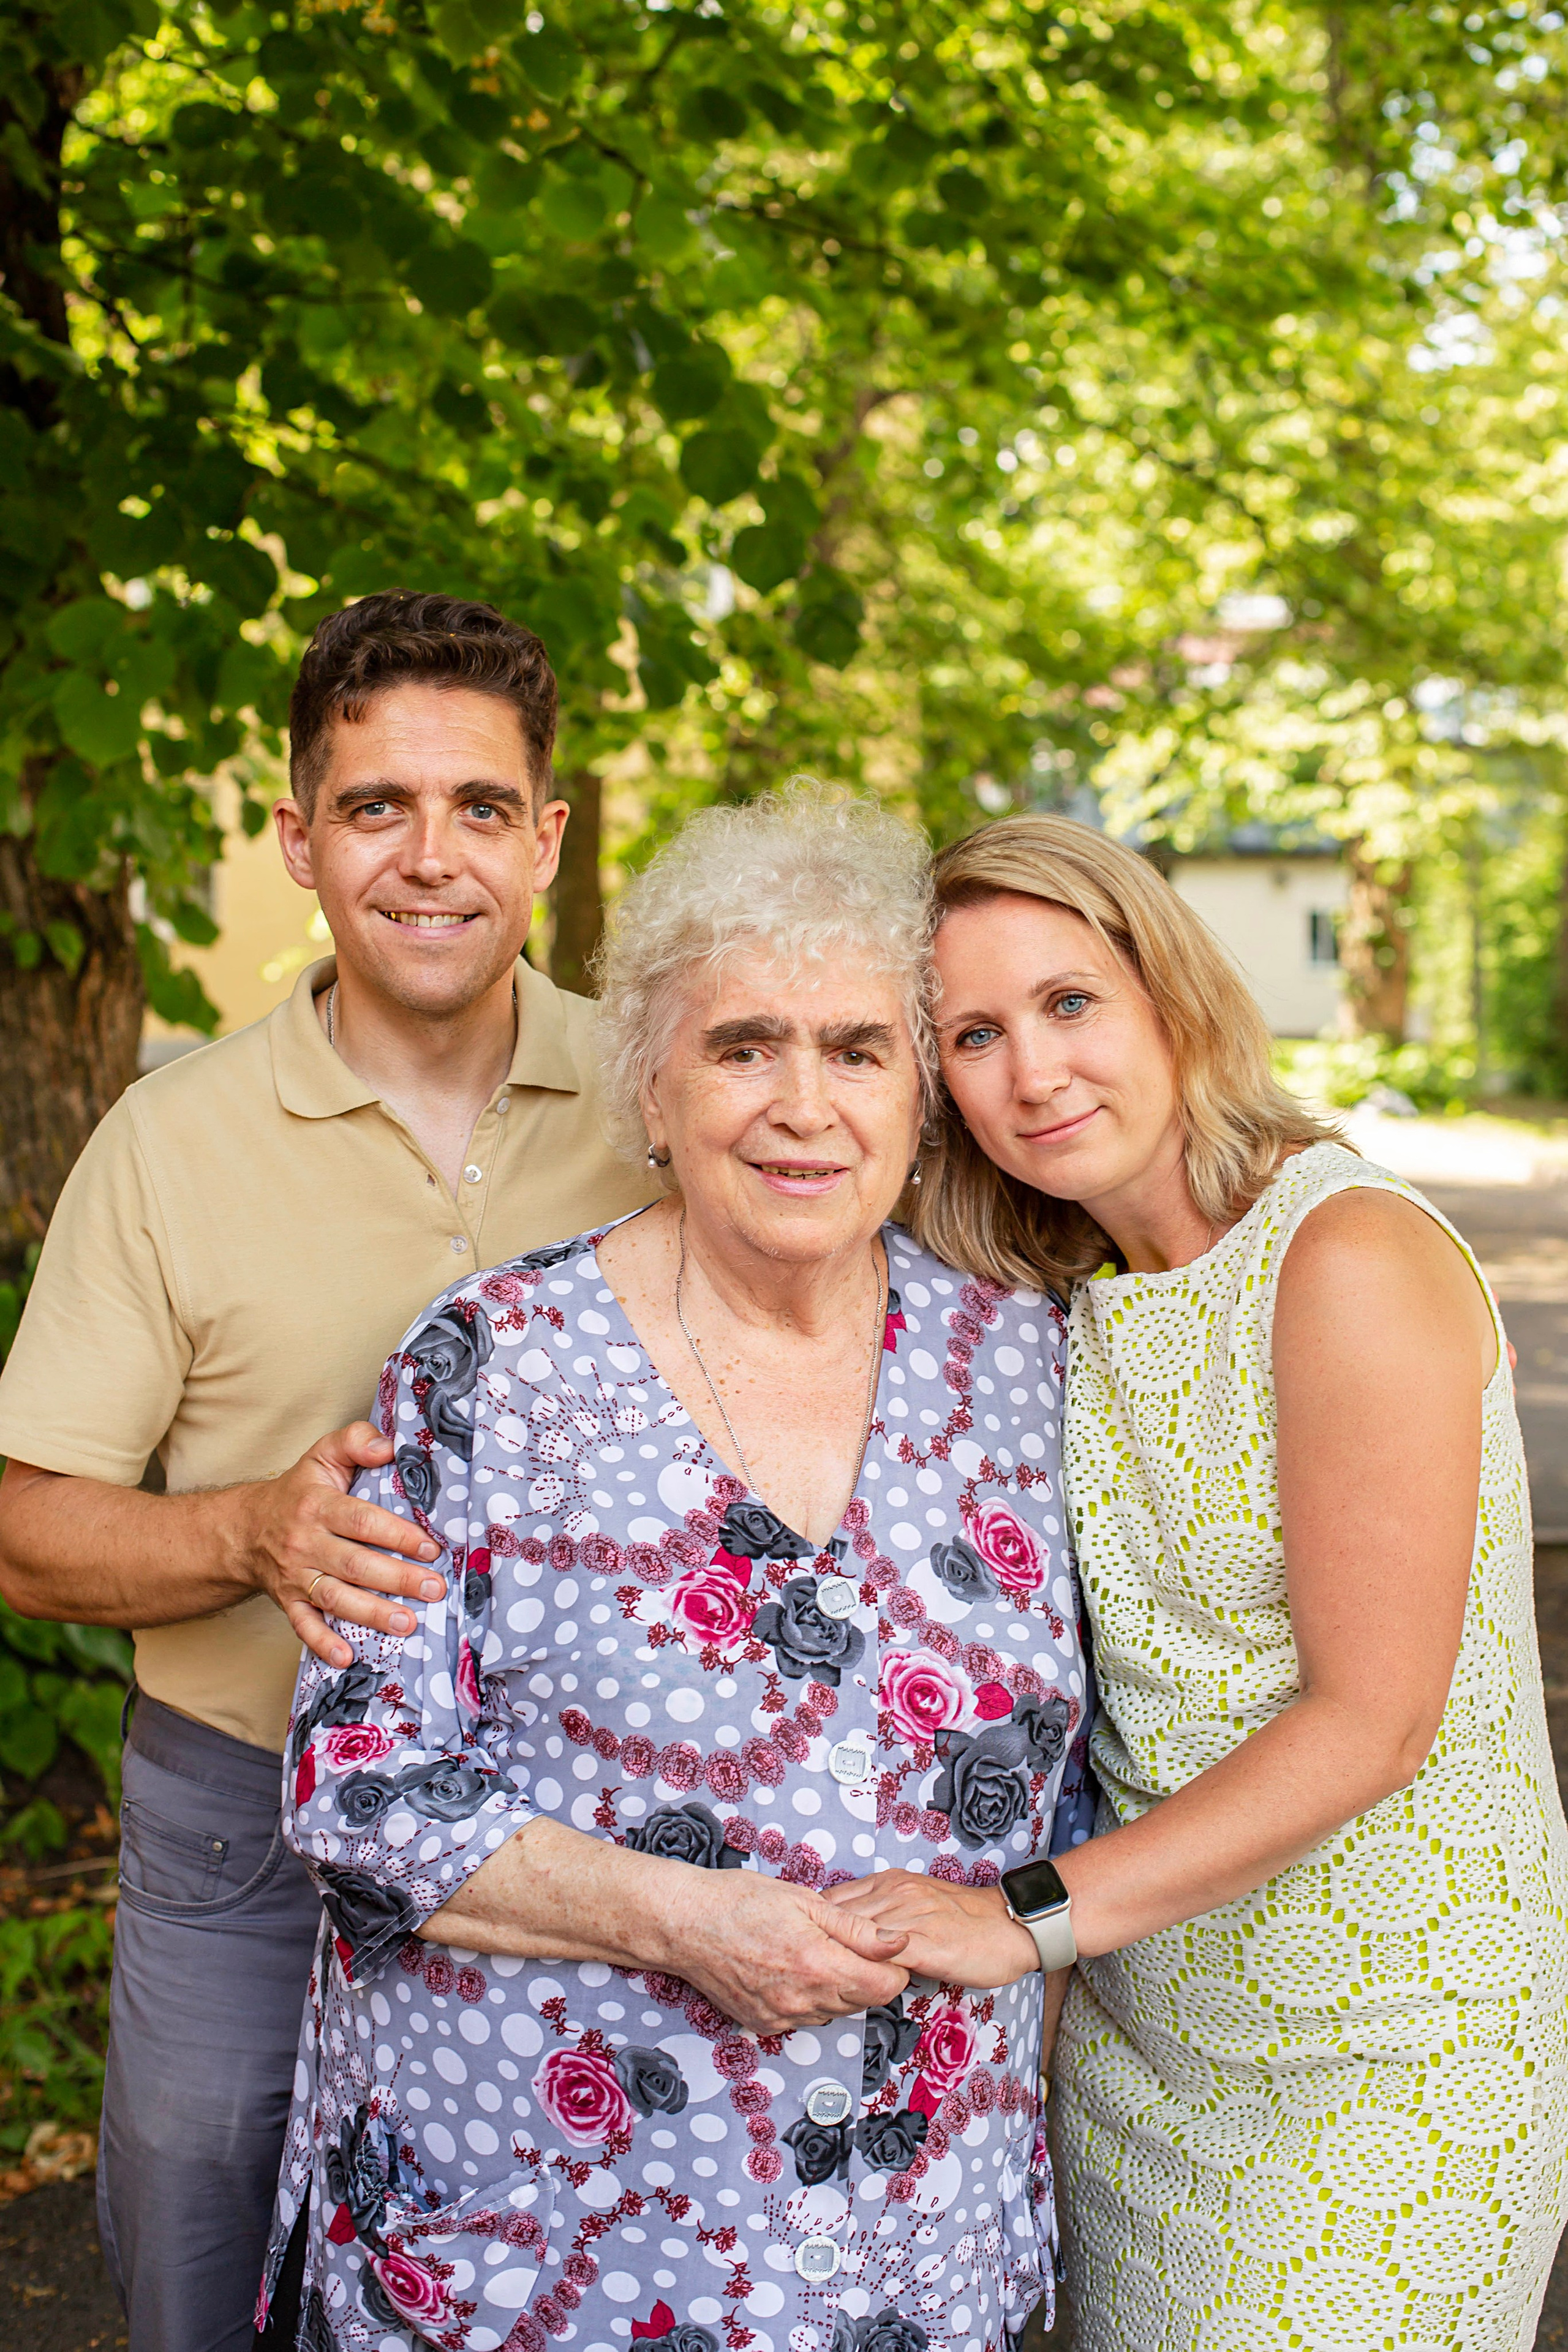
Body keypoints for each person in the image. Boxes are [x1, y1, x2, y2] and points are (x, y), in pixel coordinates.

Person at [257, 785, 1096, 2352]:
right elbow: (355, 1791)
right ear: (651, 1084)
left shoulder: (1022, 1362)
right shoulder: (495, 1363)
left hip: (913, 2234)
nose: (802, 1105)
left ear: (922, 1093)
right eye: (742, 1047)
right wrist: (684, 1922)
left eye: (857, 1050)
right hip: (537, 2238)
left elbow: (1087, 1785)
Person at [0, 591, 655, 2352]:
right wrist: (249, 1531)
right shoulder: (169, 1142)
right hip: (248, 1824)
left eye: (479, 807)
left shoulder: (667, 1104)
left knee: (568, 2281)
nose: (431, 857)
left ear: (546, 840)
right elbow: (23, 1530)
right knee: (201, 2265)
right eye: (377, 808)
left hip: (589, 1830)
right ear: (300, 839)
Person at [889, 811, 1568, 2350]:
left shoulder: (1343, 1253)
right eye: (973, 1037)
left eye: (1068, 1002)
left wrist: (1017, 1920)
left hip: (1393, 2051)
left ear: (1168, 995)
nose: (1033, 1072)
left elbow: (1372, 1722)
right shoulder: (1057, 1294)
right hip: (1146, 2046)